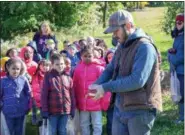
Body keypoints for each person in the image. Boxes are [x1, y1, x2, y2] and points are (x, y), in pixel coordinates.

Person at [88, 10, 162, 135]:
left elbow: (137, 81)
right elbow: (110, 69)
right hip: (120, 107)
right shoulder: (121, 46)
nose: (114, 36)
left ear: (128, 25)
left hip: (140, 109)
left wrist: (105, 87)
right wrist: (96, 85)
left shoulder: (145, 47)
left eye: (116, 31)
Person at [73, 45, 111, 135]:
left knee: (97, 124)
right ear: (81, 56)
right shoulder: (78, 69)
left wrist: (105, 102)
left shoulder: (99, 68)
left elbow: (105, 87)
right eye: (85, 56)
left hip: (96, 102)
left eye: (89, 56)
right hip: (83, 104)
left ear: (93, 56)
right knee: (84, 124)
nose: (87, 58)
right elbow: (74, 86)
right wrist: (76, 101)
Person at [41, 54, 75, 135]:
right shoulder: (48, 76)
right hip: (52, 111)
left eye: (62, 64)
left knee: (62, 131)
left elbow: (72, 95)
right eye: (57, 64)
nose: (60, 66)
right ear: (52, 65)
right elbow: (44, 95)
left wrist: (72, 109)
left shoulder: (68, 77)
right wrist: (45, 110)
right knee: (52, 131)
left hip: (66, 110)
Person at [0, 58, 31, 135]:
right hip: (8, 111)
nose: (15, 71)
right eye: (13, 68)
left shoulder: (23, 79)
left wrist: (28, 106)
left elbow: (29, 93)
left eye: (18, 69)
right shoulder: (3, 81)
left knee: (19, 130)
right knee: (9, 131)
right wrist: (2, 105)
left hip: (21, 111)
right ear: (8, 67)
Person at [168, 13, 184, 124]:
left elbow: (182, 56)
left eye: (180, 22)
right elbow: (177, 51)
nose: (177, 24)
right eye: (176, 22)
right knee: (180, 93)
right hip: (178, 70)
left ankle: (182, 118)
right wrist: (172, 51)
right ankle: (181, 116)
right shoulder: (178, 35)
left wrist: (170, 56)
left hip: (182, 70)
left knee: (182, 94)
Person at [31, 59, 51, 127]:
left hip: (51, 101)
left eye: (47, 65)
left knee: (50, 119)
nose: (45, 67)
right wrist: (41, 101)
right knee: (44, 119)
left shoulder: (51, 75)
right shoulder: (36, 76)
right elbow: (36, 90)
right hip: (42, 101)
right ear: (39, 66)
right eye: (43, 65)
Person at [104, 48, 115, 135]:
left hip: (121, 99)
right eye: (109, 57)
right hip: (109, 100)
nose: (111, 59)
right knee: (110, 121)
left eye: (113, 57)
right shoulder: (105, 71)